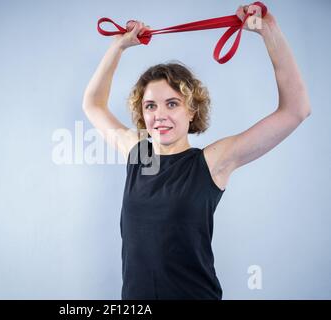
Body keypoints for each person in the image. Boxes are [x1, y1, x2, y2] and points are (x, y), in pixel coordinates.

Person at [82, 4, 311, 299]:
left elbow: (295, 110)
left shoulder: (211, 162)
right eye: (151, 105)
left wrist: (270, 30)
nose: (160, 115)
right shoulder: (139, 155)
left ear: (192, 110)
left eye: (172, 103)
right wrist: (119, 46)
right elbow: (93, 104)